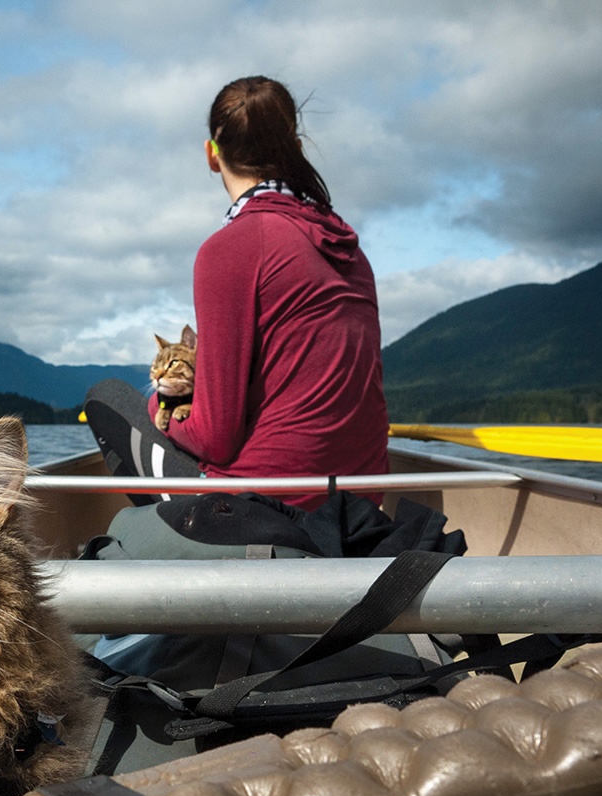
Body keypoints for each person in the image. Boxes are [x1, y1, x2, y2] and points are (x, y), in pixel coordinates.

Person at [84, 75, 389, 511]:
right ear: (295, 148)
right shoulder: (350, 250)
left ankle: (182, 539)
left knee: (106, 396)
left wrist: (159, 408)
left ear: (212, 155)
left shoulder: (229, 249)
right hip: (359, 507)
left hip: (265, 506)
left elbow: (214, 438)